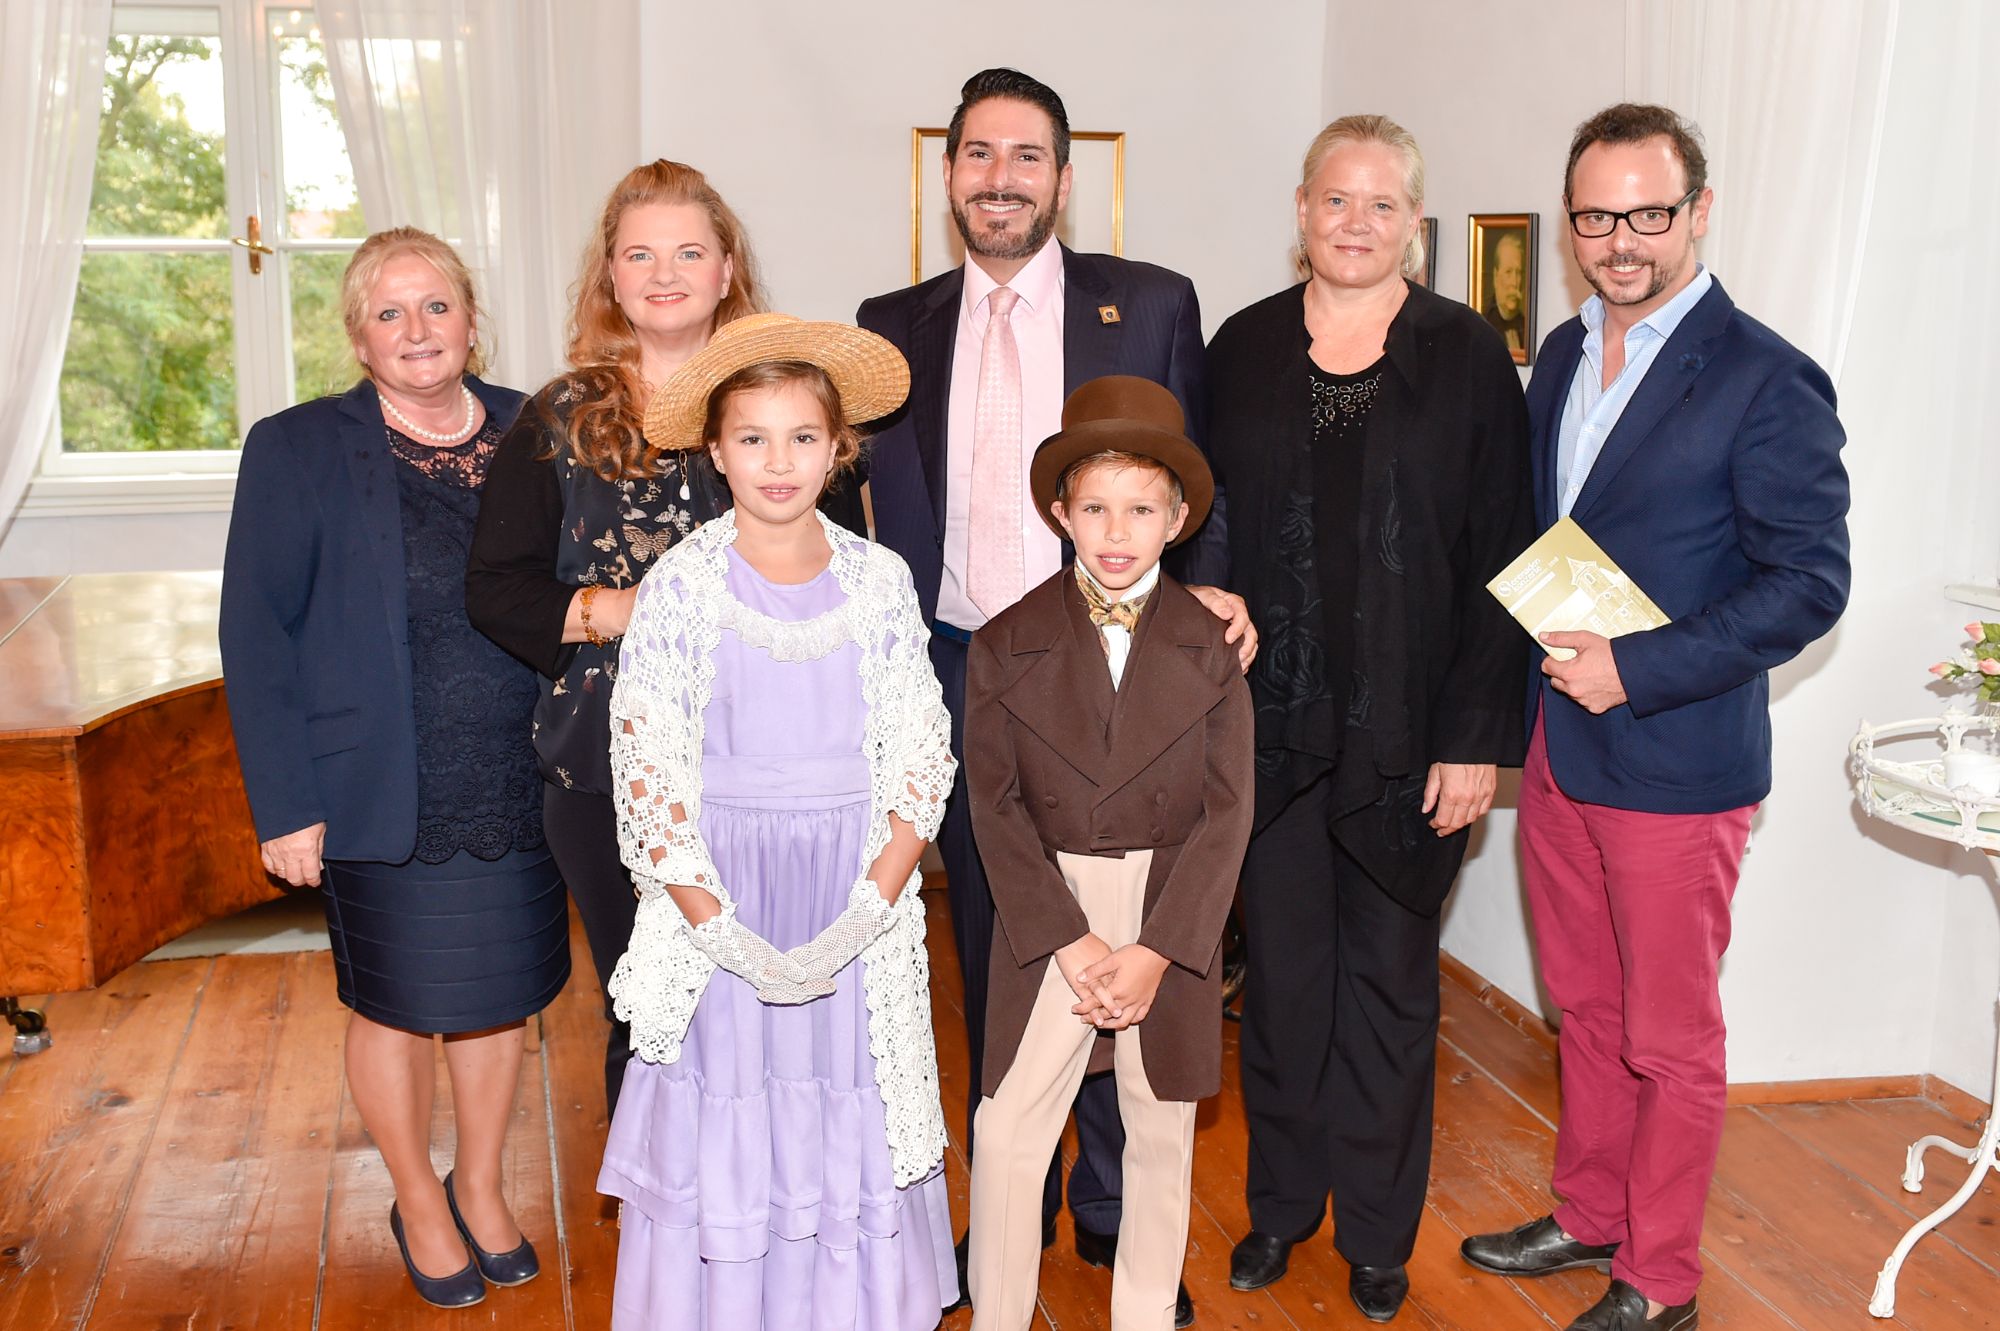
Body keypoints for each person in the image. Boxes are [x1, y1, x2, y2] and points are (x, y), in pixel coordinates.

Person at [855, 68, 1250, 1323]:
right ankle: (1009, 1208)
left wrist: (1213, 609)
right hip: (966, 656)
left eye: (1026, 157)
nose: (1000, 179)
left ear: (1062, 178)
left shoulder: (1154, 304)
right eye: (977, 155)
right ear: (949, 172)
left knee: (1139, 929)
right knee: (1005, 933)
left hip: (1132, 658)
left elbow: (1201, 484)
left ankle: (1116, 1206)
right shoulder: (891, 322)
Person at [1459, 104, 1850, 1331]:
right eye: (1593, 215)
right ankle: (1587, 1212)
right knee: (1583, 1004)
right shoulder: (1565, 357)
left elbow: (1809, 581)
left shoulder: (1767, 378)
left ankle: (1660, 1276)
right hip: (1556, 745)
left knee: (1671, 1036)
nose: (1618, 239)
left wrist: (1638, 667)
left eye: (1646, 213)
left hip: (1675, 759)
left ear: (1697, 212)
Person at [1204, 115, 1534, 1322]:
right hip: (1269, 726)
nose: (1355, 222)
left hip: (1413, 734)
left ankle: (1380, 1232)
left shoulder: (1465, 357)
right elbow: (1200, 513)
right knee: (1283, 981)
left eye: (1381, 204)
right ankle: (1281, 1207)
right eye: (1334, 200)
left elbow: (1505, 550)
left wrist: (1476, 736)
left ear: (1414, 223)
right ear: (1300, 208)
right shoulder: (1238, 347)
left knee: (1392, 986)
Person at [467, 161, 861, 1116]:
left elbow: (853, 578)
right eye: (640, 254)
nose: (665, 272)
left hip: (780, 772)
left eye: (689, 251)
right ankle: (663, 1225)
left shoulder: (792, 403)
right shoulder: (558, 417)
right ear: (611, 275)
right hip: (611, 769)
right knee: (647, 1003)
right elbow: (493, 588)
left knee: (774, 1002)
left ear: (728, 269)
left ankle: (770, 1208)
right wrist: (619, 609)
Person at [221, 228, 566, 1309]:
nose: (416, 332)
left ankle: (483, 1178)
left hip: (523, 775)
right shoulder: (296, 447)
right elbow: (255, 631)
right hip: (377, 780)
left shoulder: (541, 427)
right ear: (358, 335)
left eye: (436, 308)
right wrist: (287, 804)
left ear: (472, 317)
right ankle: (417, 1193)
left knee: (499, 998)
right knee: (395, 1002)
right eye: (389, 312)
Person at [595, 313, 957, 1328]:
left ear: (839, 447)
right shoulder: (679, 587)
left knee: (845, 1101)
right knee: (734, 1107)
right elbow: (649, 766)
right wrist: (714, 924)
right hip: (725, 896)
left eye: (801, 436)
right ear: (714, 450)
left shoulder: (879, 581)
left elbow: (917, 749)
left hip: (852, 888)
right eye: (751, 437)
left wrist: (870, 902)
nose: (777, 460)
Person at [964, 377, 1254, 1331]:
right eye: (1095, 507)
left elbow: (1227, 811)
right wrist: (1074, 940)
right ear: (1061, 513)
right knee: (1008, 1130)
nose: (1116, 531)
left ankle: (1142, 1316)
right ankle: (1000, 1312)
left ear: (1176, 519)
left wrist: (1158, 950)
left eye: (1140, 508)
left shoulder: (1212, 646)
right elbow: (995, 805)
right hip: (1051, 914)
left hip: (1171, 910)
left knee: (1160, 1130)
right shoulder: (1004, 644)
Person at [1484, 230, 1529, 355]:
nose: (1515, 282)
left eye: (1519, 272)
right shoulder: (1484, 326)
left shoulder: (1526, 326)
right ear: (1496, 276)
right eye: (1508, 272)